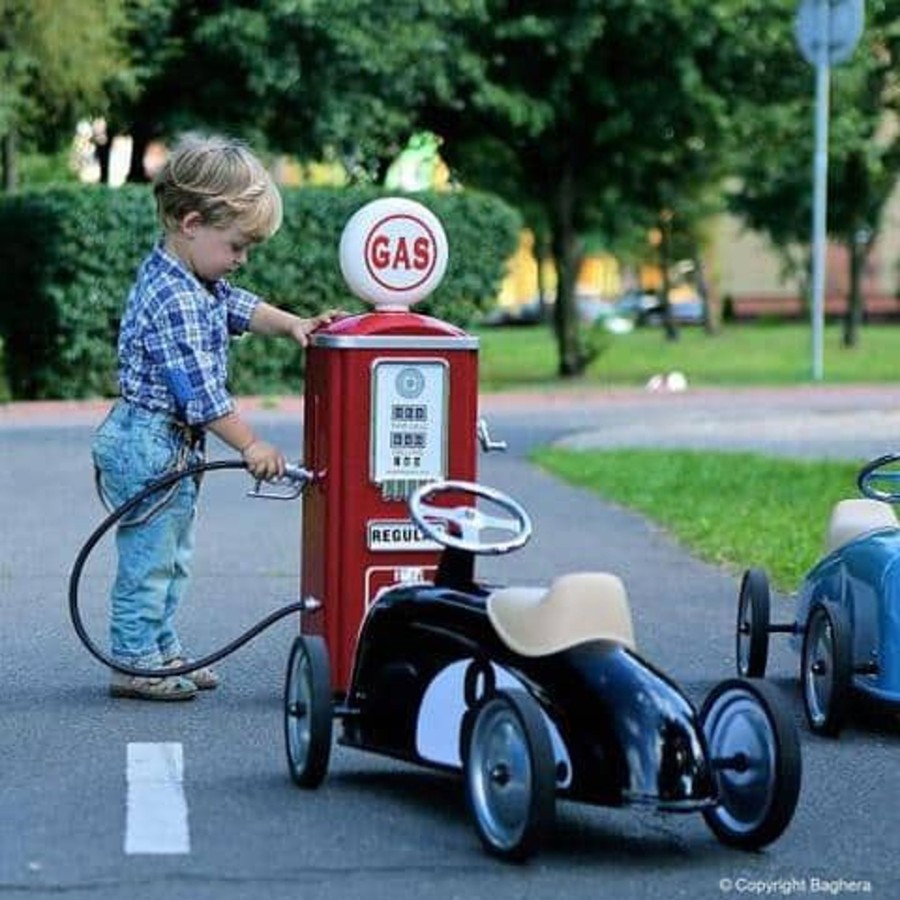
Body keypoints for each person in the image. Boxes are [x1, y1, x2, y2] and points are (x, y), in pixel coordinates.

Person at [92, 133, 342, 701]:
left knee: (173, 556)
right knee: (150, 558)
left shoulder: (197, 280)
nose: (241, 258)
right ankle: (133, 661)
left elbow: (239, 305)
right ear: (191, 222)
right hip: (150, 441)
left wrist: (295, 324)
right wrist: (252, 445)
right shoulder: (175, 298)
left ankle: (160, 650)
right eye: (236, 246)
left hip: (170, 446)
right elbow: (202, 398)